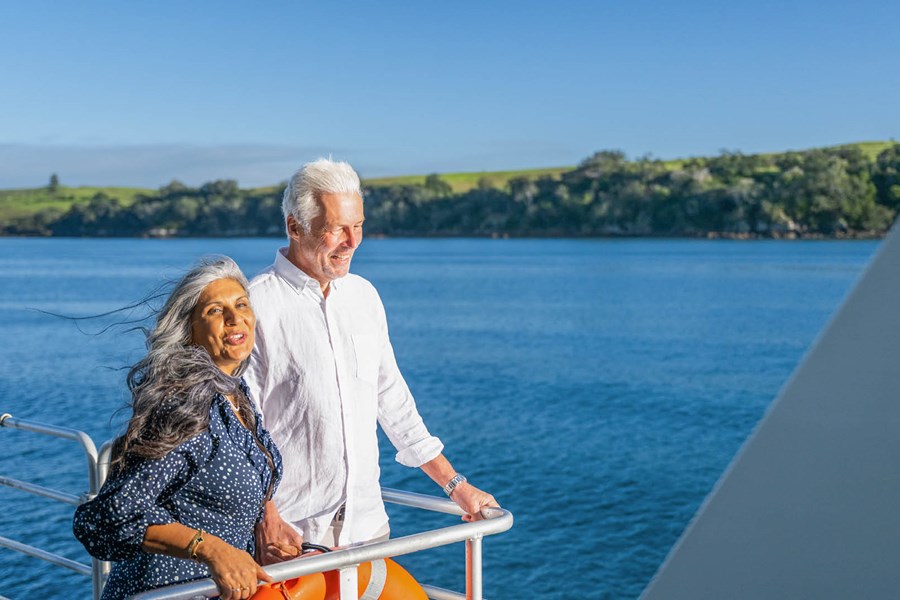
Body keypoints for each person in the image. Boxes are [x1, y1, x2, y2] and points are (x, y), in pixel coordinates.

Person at [246, 158, 499, 553]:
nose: (352, 241)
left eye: (358, 225)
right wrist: (267, 516)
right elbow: (240, 428)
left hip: (368, 530)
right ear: (295, 227)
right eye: (336, 229)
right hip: (291, 539)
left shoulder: (364, 297)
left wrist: (456, 485)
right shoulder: (254, 304)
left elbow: (391, 398)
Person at [73, 256, 303, 600]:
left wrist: (266, 519)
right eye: (214, 310)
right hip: (163, 592)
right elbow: (107, 517)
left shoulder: (233, 393)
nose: (234, 318)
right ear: (189, 330)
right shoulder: (183, 404)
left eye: (241, 304)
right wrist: (210, 548)